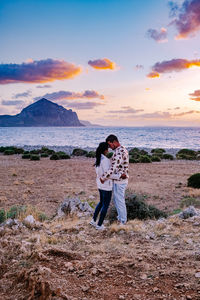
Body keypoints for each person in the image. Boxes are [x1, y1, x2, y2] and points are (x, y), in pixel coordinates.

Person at [90, 142, 124, 230]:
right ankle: (99, 224)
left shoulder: (98, 158)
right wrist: (120, 176)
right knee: (105, 205)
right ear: (105, 150)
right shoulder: (105, 160)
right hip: (106, 185)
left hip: (100, 184)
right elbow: (108, 175)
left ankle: (93, 221)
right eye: (107, 148)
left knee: (101, 202)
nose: (108, 150)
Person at [100, 135, 129, 225]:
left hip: (121, 181)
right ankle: (120, 218)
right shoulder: (119, 150)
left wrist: (103, 177)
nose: (109, 147)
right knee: (117, 200)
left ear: (114, 142)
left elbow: (113, 168)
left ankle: (123, 221)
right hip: (118, 180)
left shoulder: (120, 151)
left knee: (119, 200)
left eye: (110, 145)